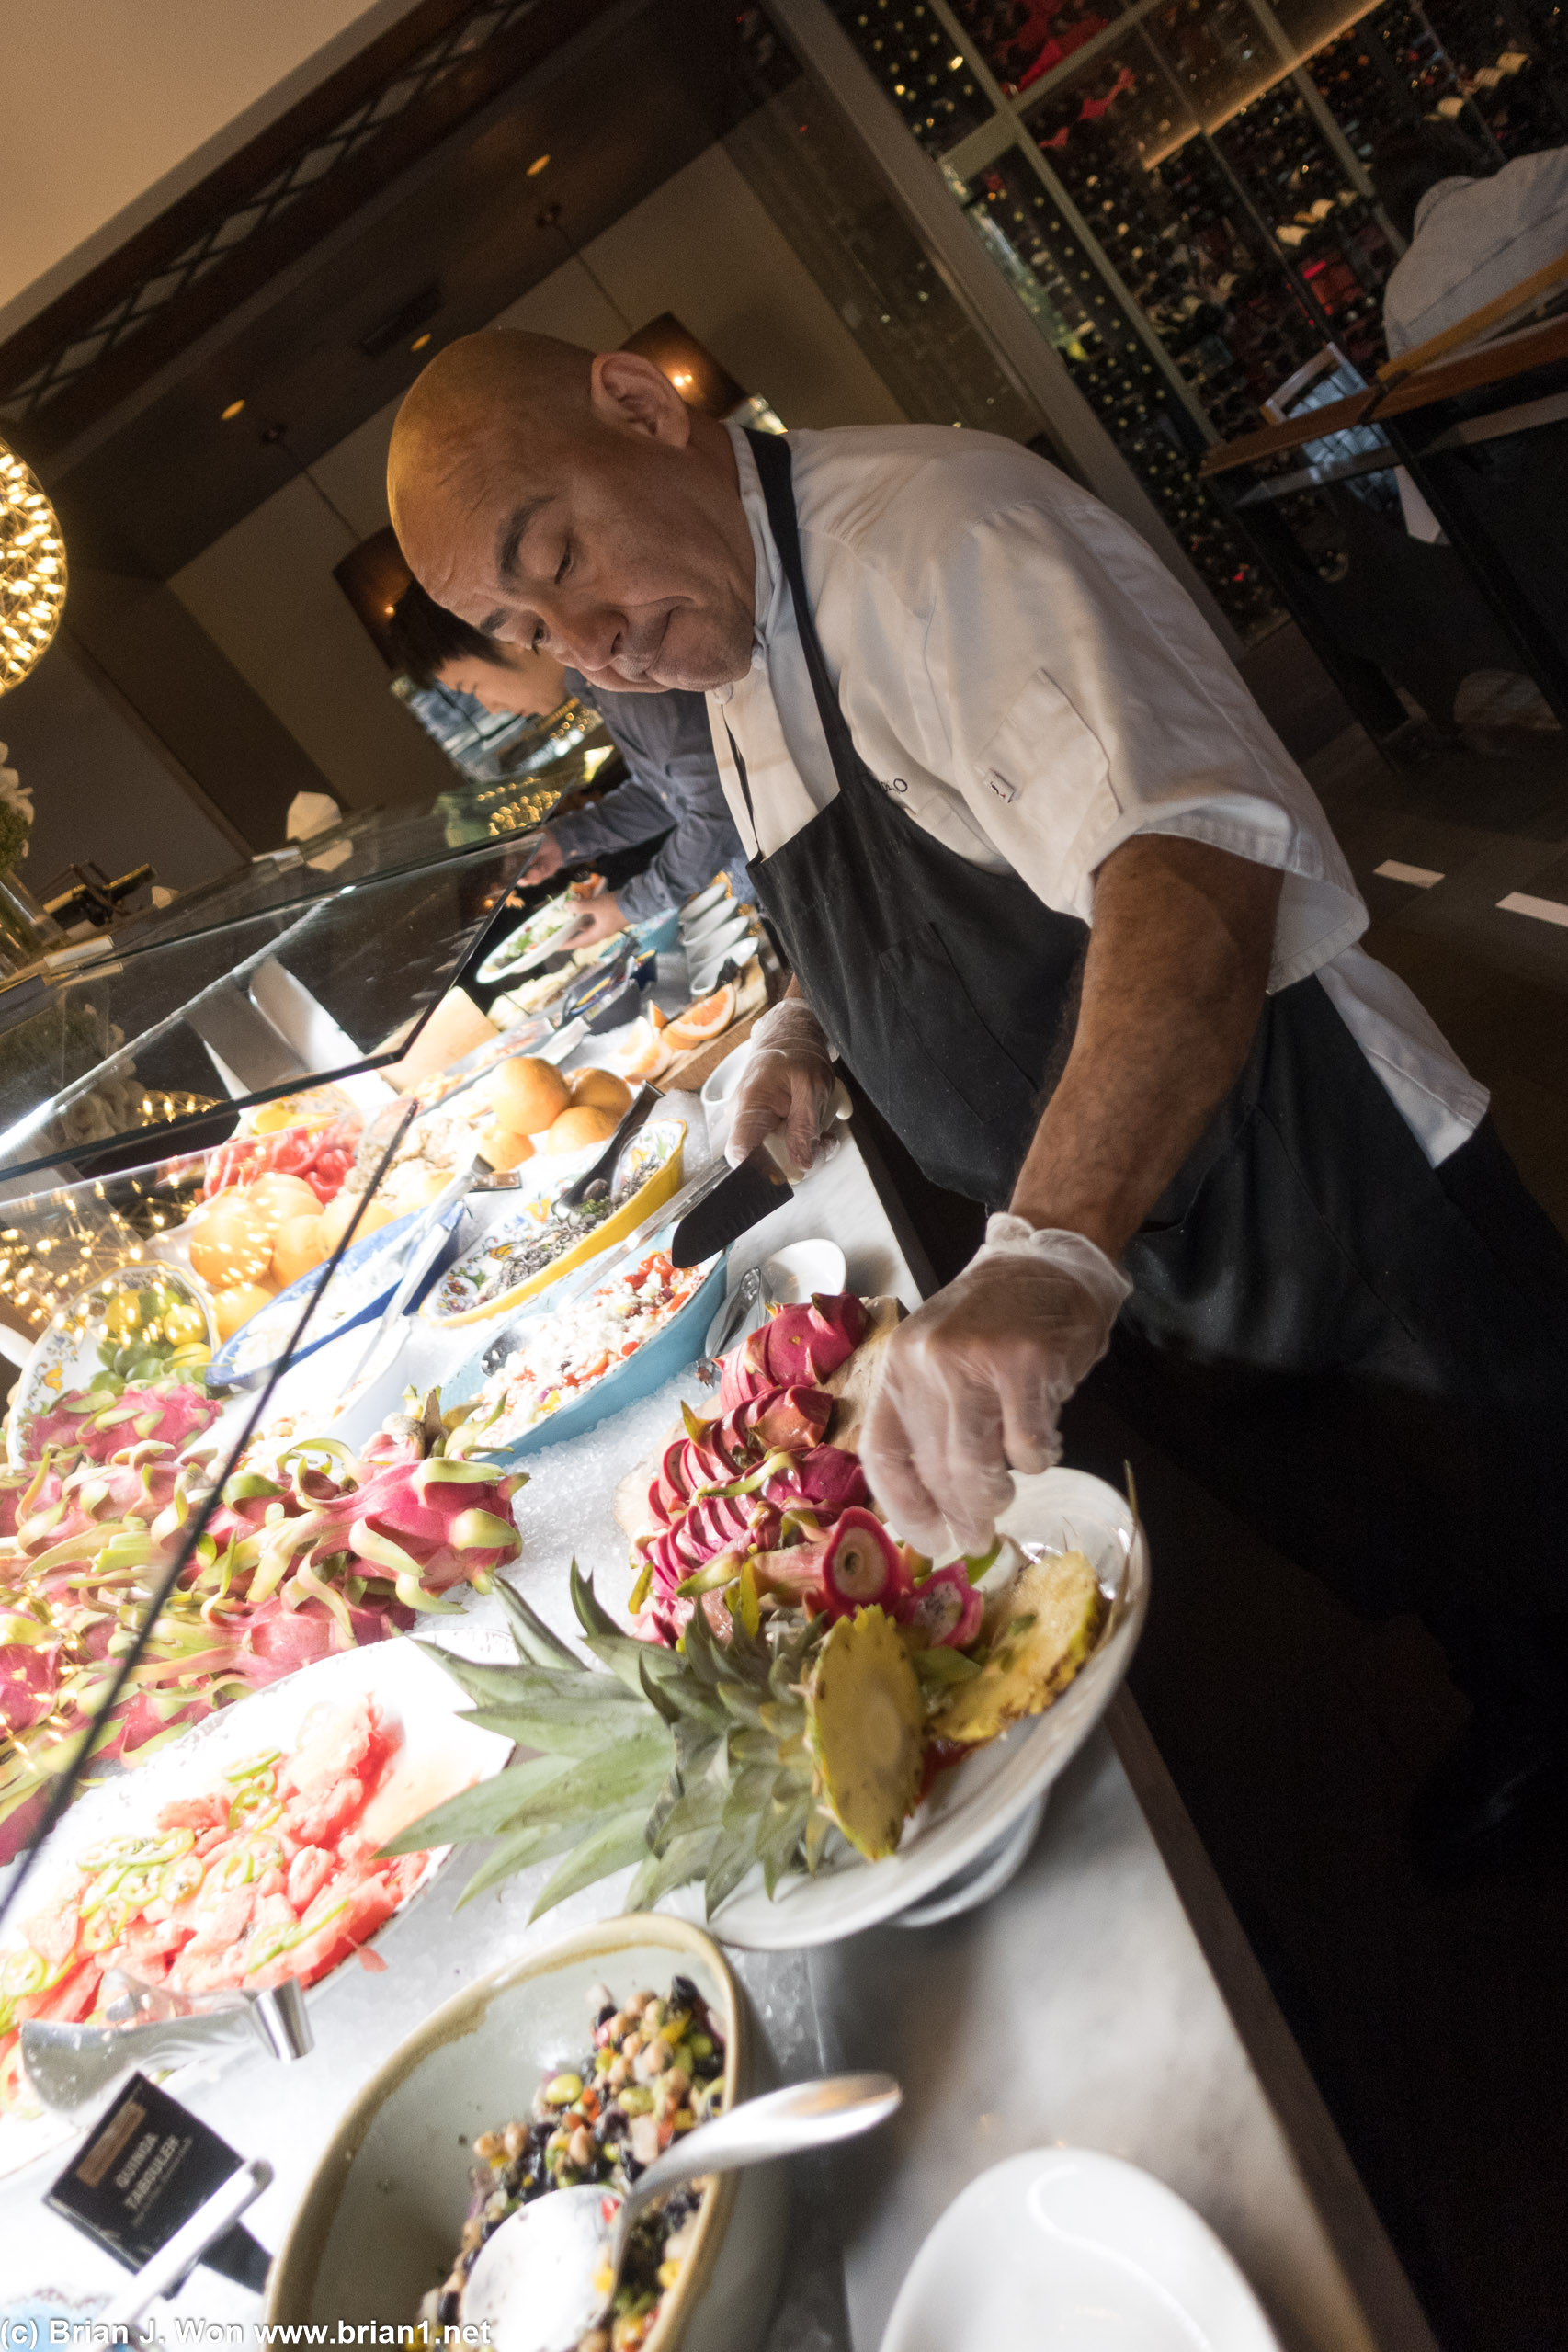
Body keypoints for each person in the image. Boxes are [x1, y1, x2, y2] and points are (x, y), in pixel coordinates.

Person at [385, 330, 1568, 1865]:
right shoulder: (731, 639)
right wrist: (806, 1022)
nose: (589, 641)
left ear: (640, 405)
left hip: (1311, 1170)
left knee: (1524, 1491)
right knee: (1407, 1533)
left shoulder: (934, 540)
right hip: (1134, 1224)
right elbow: (913, 862)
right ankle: (1522, 1697)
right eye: (522, 621)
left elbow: (1188, 871)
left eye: (562, 558)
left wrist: (1049, 1245)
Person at [387, 577, 749, 948]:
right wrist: (564, 840)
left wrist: (630, 906)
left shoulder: (619, 669)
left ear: (501, 633)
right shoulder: (589, 683)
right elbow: (662, 795)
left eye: (473, 688)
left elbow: (718, 807)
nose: (490, 708)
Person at [1372, 128, 1568, 543]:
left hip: (1537, 496)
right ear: (1461, 155)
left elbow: (1426, 420)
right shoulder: (1539, 176)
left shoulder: (1401, 297)